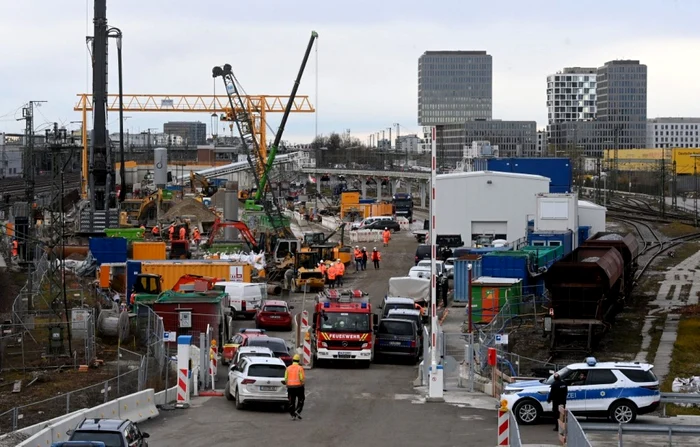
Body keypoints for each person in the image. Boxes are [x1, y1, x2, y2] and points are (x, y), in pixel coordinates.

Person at [285, 354, 306, 420]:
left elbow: (285, 378)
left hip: (290, 387)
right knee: (301, 399)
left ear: (292, 360)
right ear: (298, 361)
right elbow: (302, 378)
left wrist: (287, 384)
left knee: (291, 400)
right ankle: (298, 410)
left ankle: (292, 414)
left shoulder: (288, 368)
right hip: (299, 386)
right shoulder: (300, 368)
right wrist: (302, 383)